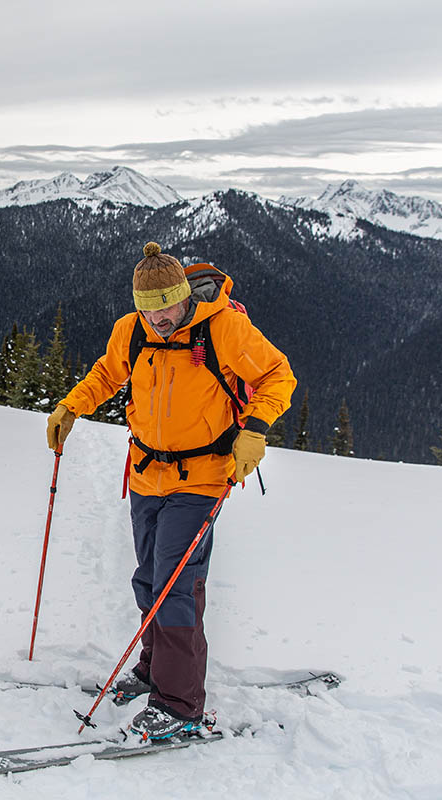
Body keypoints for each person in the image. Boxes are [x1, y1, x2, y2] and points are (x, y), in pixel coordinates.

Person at [45, 242, 295, 740]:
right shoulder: (130, 331)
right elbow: (107, 374)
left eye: (167, 308)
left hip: (203, 477)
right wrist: (71, 407)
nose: (159, 319)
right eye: (148, 309)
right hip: (144, 473)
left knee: (175, 585)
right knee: (149, 577)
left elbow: (277, 375)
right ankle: (155, 670)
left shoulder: (223, 327)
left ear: (184, 298)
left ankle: (181, 704)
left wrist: (256, 429)